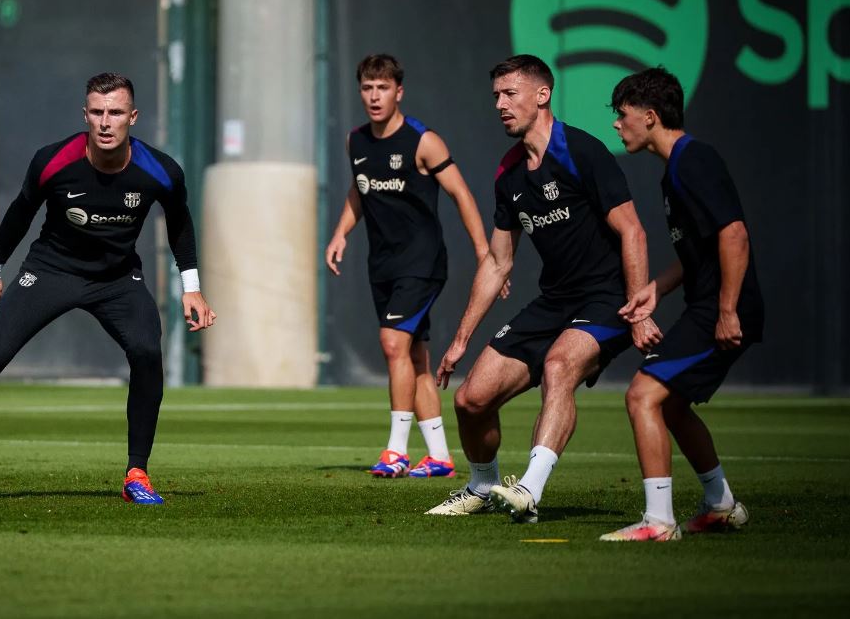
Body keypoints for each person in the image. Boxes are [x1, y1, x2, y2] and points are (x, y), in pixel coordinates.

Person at [0, 72, 216, 504]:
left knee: (147, 352)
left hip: (118, 279)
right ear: (85, 114)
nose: (106, 122)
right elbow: (19, 215)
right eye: (98, 112)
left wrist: (192, 287)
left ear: (133, 117)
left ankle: (137, 475)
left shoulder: (160, 171)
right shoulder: (53, 161)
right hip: (51, 270)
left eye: (117, 113)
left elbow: (179, 221)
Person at [427, 54, 660, 522]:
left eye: (509, 93)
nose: (500, 104)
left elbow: (633, 231)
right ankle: (482, 485)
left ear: (542, 94)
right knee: (470, 401)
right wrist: (459, 341)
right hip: (555, 300)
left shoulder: (582, 151)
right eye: (495, 96)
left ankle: (529, 489)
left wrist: (638, 311)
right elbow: (498, 262)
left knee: (558, 367)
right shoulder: (509, 172)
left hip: (606, 297)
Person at [599, 67, 763, 542]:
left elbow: (735, 235)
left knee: (641, 395)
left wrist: (727, 309)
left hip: (720, 310)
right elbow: (701, 250)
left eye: (622, 115)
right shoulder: (675, 171)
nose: (616, 124)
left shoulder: (694, 160)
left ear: (650, 117)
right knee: (669, 404)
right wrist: (658, 287)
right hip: (709, 304)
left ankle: (658, 522)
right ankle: (720, 505)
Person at [324, 54, 497, 479]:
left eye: (383, 87)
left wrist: (484, 255)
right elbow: (359, 191)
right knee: (415, 357)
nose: (374, 96)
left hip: (421, 263)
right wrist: (340, 232)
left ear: (398, 92)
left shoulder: (424, 141)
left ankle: (396, 451)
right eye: (367, 88)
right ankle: (438, 456)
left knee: (391, 344)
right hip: (381, 264)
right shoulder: (356, 141)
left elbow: (461, 195)